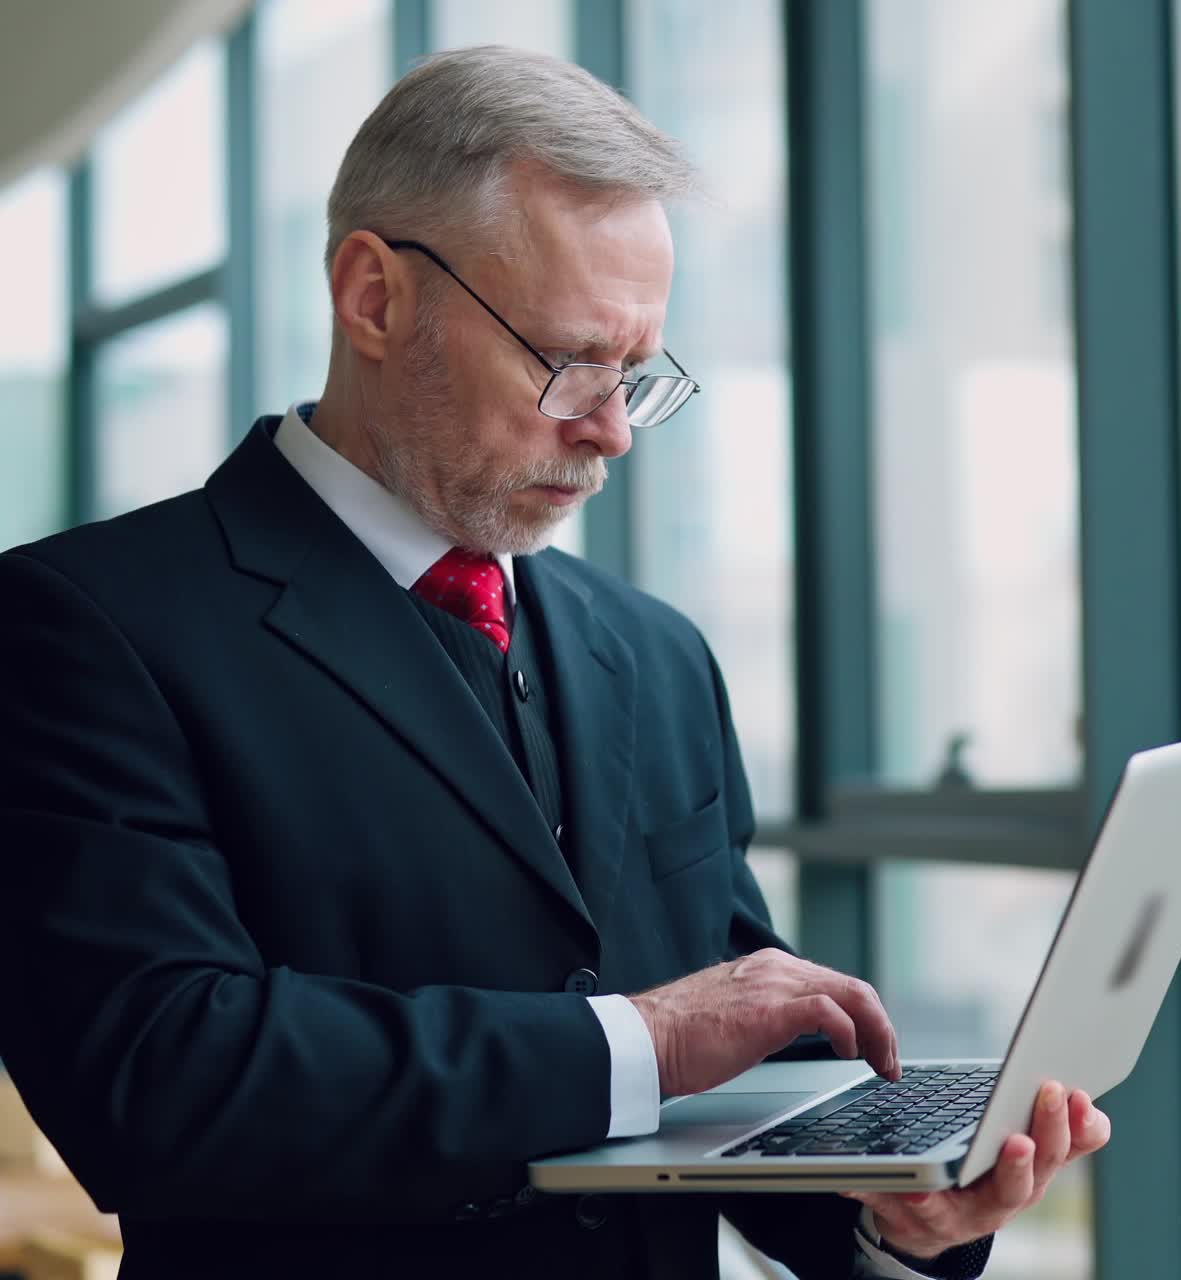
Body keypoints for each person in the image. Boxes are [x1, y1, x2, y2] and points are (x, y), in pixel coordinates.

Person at [0, 45, 1108, 1280]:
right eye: (571, 362)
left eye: (639, 374)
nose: (613, 428)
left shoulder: (656, 651)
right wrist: (632, 1042)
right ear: (373, 297)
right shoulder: (83, 624)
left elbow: (741, 1080)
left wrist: (895, 1222)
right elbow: (163, 1073)